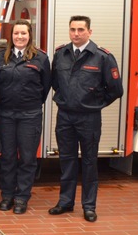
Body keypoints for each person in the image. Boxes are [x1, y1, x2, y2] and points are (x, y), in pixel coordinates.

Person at [48, 15, 124, 222]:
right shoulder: (61, 54)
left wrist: (95, 104)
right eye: (73, 29)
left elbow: (116, 90)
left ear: (90, 32)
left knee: (89, 162)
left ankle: (89, 206)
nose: (76, 34)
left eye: (81, 30)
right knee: (67, 160)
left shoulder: (102, 57)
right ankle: (65, 202)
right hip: (64, 117)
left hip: (89, 118)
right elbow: (56, 83)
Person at [0, 19, 51, 215]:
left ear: (30, 35)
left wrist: (30, 103)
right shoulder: (1, 58)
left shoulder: (40, 58)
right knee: (7, 157)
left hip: (30, 115)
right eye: (16, 33)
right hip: (6, 115)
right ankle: (7, 196)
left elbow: (45, 87)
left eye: (23, 33)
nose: (19, 37)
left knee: (27, 158)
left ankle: (22, 197)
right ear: (11, 36)